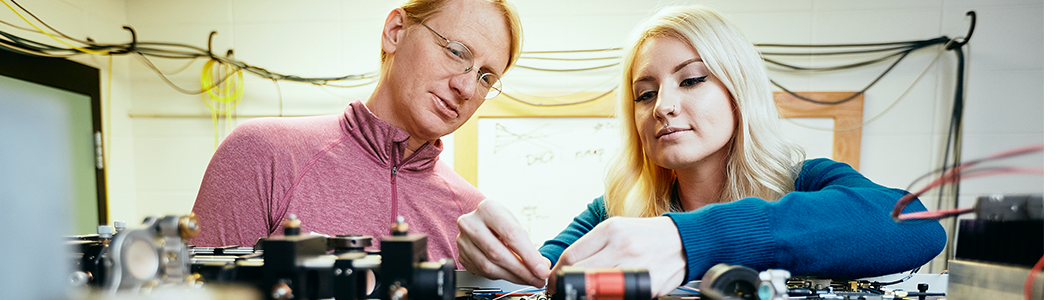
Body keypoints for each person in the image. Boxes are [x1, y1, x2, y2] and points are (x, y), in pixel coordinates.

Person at [456, 5, 946, 296]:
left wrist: (689, 240)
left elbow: (915, 225)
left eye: (692, 80)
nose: (664, 106)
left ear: (739, 92)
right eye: (645, 93)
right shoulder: (616, 212)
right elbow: (547, 277)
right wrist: (498, 268)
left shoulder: (810, 182)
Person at [189, 0, 523, 266]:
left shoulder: (469, 217)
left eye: (486, 77)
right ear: (395, 31)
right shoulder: (263, 154)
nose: (466, 87)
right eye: (456, 51)